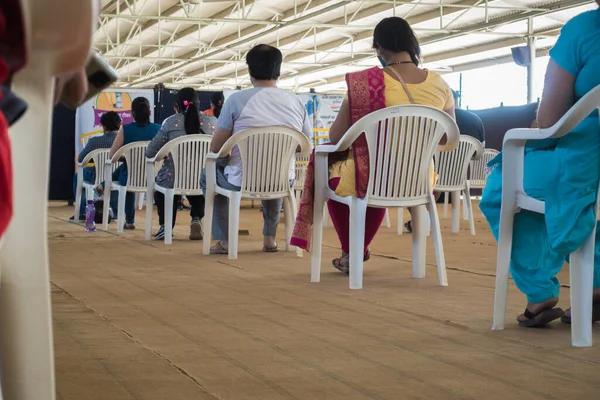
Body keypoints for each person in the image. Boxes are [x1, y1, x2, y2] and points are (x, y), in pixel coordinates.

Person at [291, 17, 455, 273]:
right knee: (367, 179)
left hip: (370, 177)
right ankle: (356, 251)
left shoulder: (360, 83)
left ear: (379, 48)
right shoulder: (440, 84)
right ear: (412, 44)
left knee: (334, 176)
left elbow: (335, 138)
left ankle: (352, 251)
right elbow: (447, 138)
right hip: (419, 178)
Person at [480, 4, 600, 327]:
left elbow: (550, 119)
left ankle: (540, 289)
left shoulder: (585, 30)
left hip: (583, 162)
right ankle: (596, 282)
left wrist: (536, 127)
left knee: (504, 183)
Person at [201, 44, 313, 254]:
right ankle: (269, 240)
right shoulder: (296, 102)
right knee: (276, 172)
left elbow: (216, 148)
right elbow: (305, 146)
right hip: (282, 180)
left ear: (250, 70)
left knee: (209, 173)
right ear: (278, 70)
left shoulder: (236, 100)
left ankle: (225, 241)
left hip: (240, 180)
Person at [146, 87, 217, 241]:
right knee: (202, 176)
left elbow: (150, 152)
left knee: (161, 185)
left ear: (177, 107)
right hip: (202, 179)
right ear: (199, 105)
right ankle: (196, 218)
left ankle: (166, 226)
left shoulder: (171, 122)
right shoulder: (212, 122)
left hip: (173, 177)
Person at [109, 97, 161, 229]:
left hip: (130, 177)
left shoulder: (125, 129)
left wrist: (126, 157)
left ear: (132, 113)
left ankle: (130, 220)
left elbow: (112, 156)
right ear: (150, 112)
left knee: (125, 172)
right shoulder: (158, 129)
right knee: (126, 169)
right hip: (153, 177)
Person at [71, 111, 122, 220]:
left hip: (96, 176)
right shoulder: (124, 142)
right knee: (116, 175)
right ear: (119, 125)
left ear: (103, 126)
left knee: (78, 176)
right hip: (117, 177)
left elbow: (81, 160)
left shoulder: (94, 141)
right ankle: (115, 212)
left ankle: (81, 212)